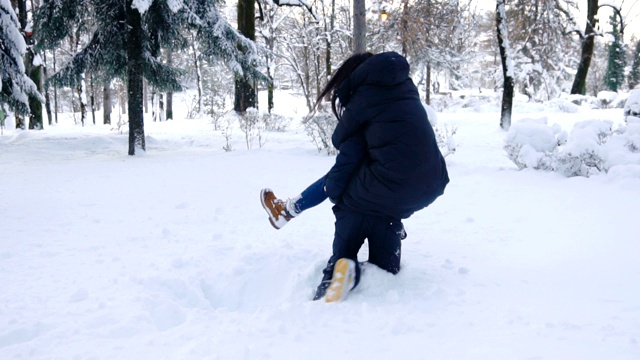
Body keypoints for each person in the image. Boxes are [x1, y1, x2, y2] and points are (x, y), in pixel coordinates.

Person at [261, 51, 449, 302]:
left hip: (387, 185)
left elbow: (345, 163)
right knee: (383, 223)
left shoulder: (363, 101)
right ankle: (386, 264)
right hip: (430, 184)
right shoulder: (404, 89)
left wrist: (336, 193)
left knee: (346, 191)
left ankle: (339, 268)